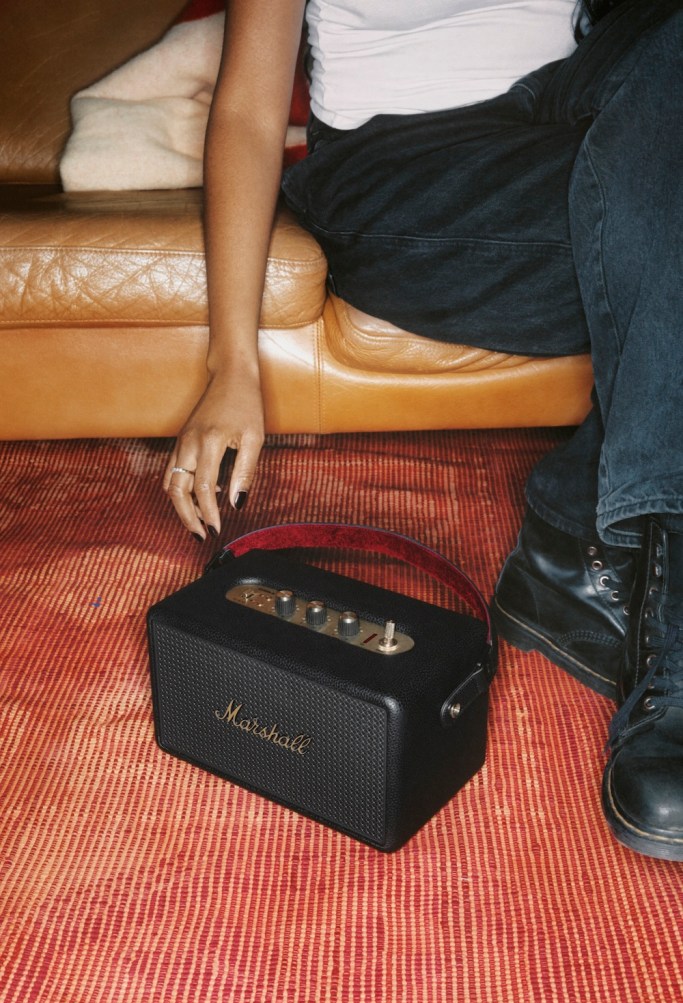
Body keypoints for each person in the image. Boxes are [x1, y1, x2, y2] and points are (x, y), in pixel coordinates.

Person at [163, 0, 683, 861]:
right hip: (406, 161)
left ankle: (570, 539)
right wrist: (232, 365)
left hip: (579, 103)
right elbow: (251, 111)